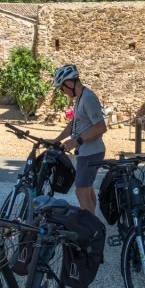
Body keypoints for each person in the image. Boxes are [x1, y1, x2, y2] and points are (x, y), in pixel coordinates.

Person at [48, 64, 107, 214]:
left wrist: (77, 141)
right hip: (86, 152)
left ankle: (89, 230)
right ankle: (93, 224)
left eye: (62, 88)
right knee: (87, 190)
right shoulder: (80, 97)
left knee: (81, 191)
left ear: (69, 83)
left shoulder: (88, 98)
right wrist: (57, 139)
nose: (63, 92)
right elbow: (74, 123)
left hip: (90, 152)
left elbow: (101, 127)